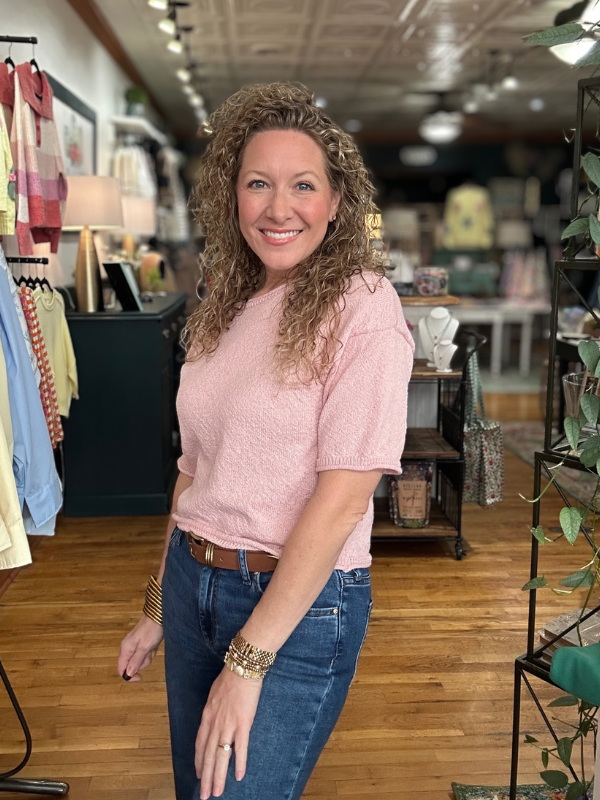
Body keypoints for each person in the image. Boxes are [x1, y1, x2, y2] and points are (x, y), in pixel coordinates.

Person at [118, 81, 414, 800]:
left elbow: (343, 499)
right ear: (233, 197)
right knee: (200, 791)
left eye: (303, 185)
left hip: (299, 607)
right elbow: (193, 473)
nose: (279, 208)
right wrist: (159, 604)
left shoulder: (365, 308)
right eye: (258, 184)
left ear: (338, 202)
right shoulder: (227, 305)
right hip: (194, 584)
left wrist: (248, 662)